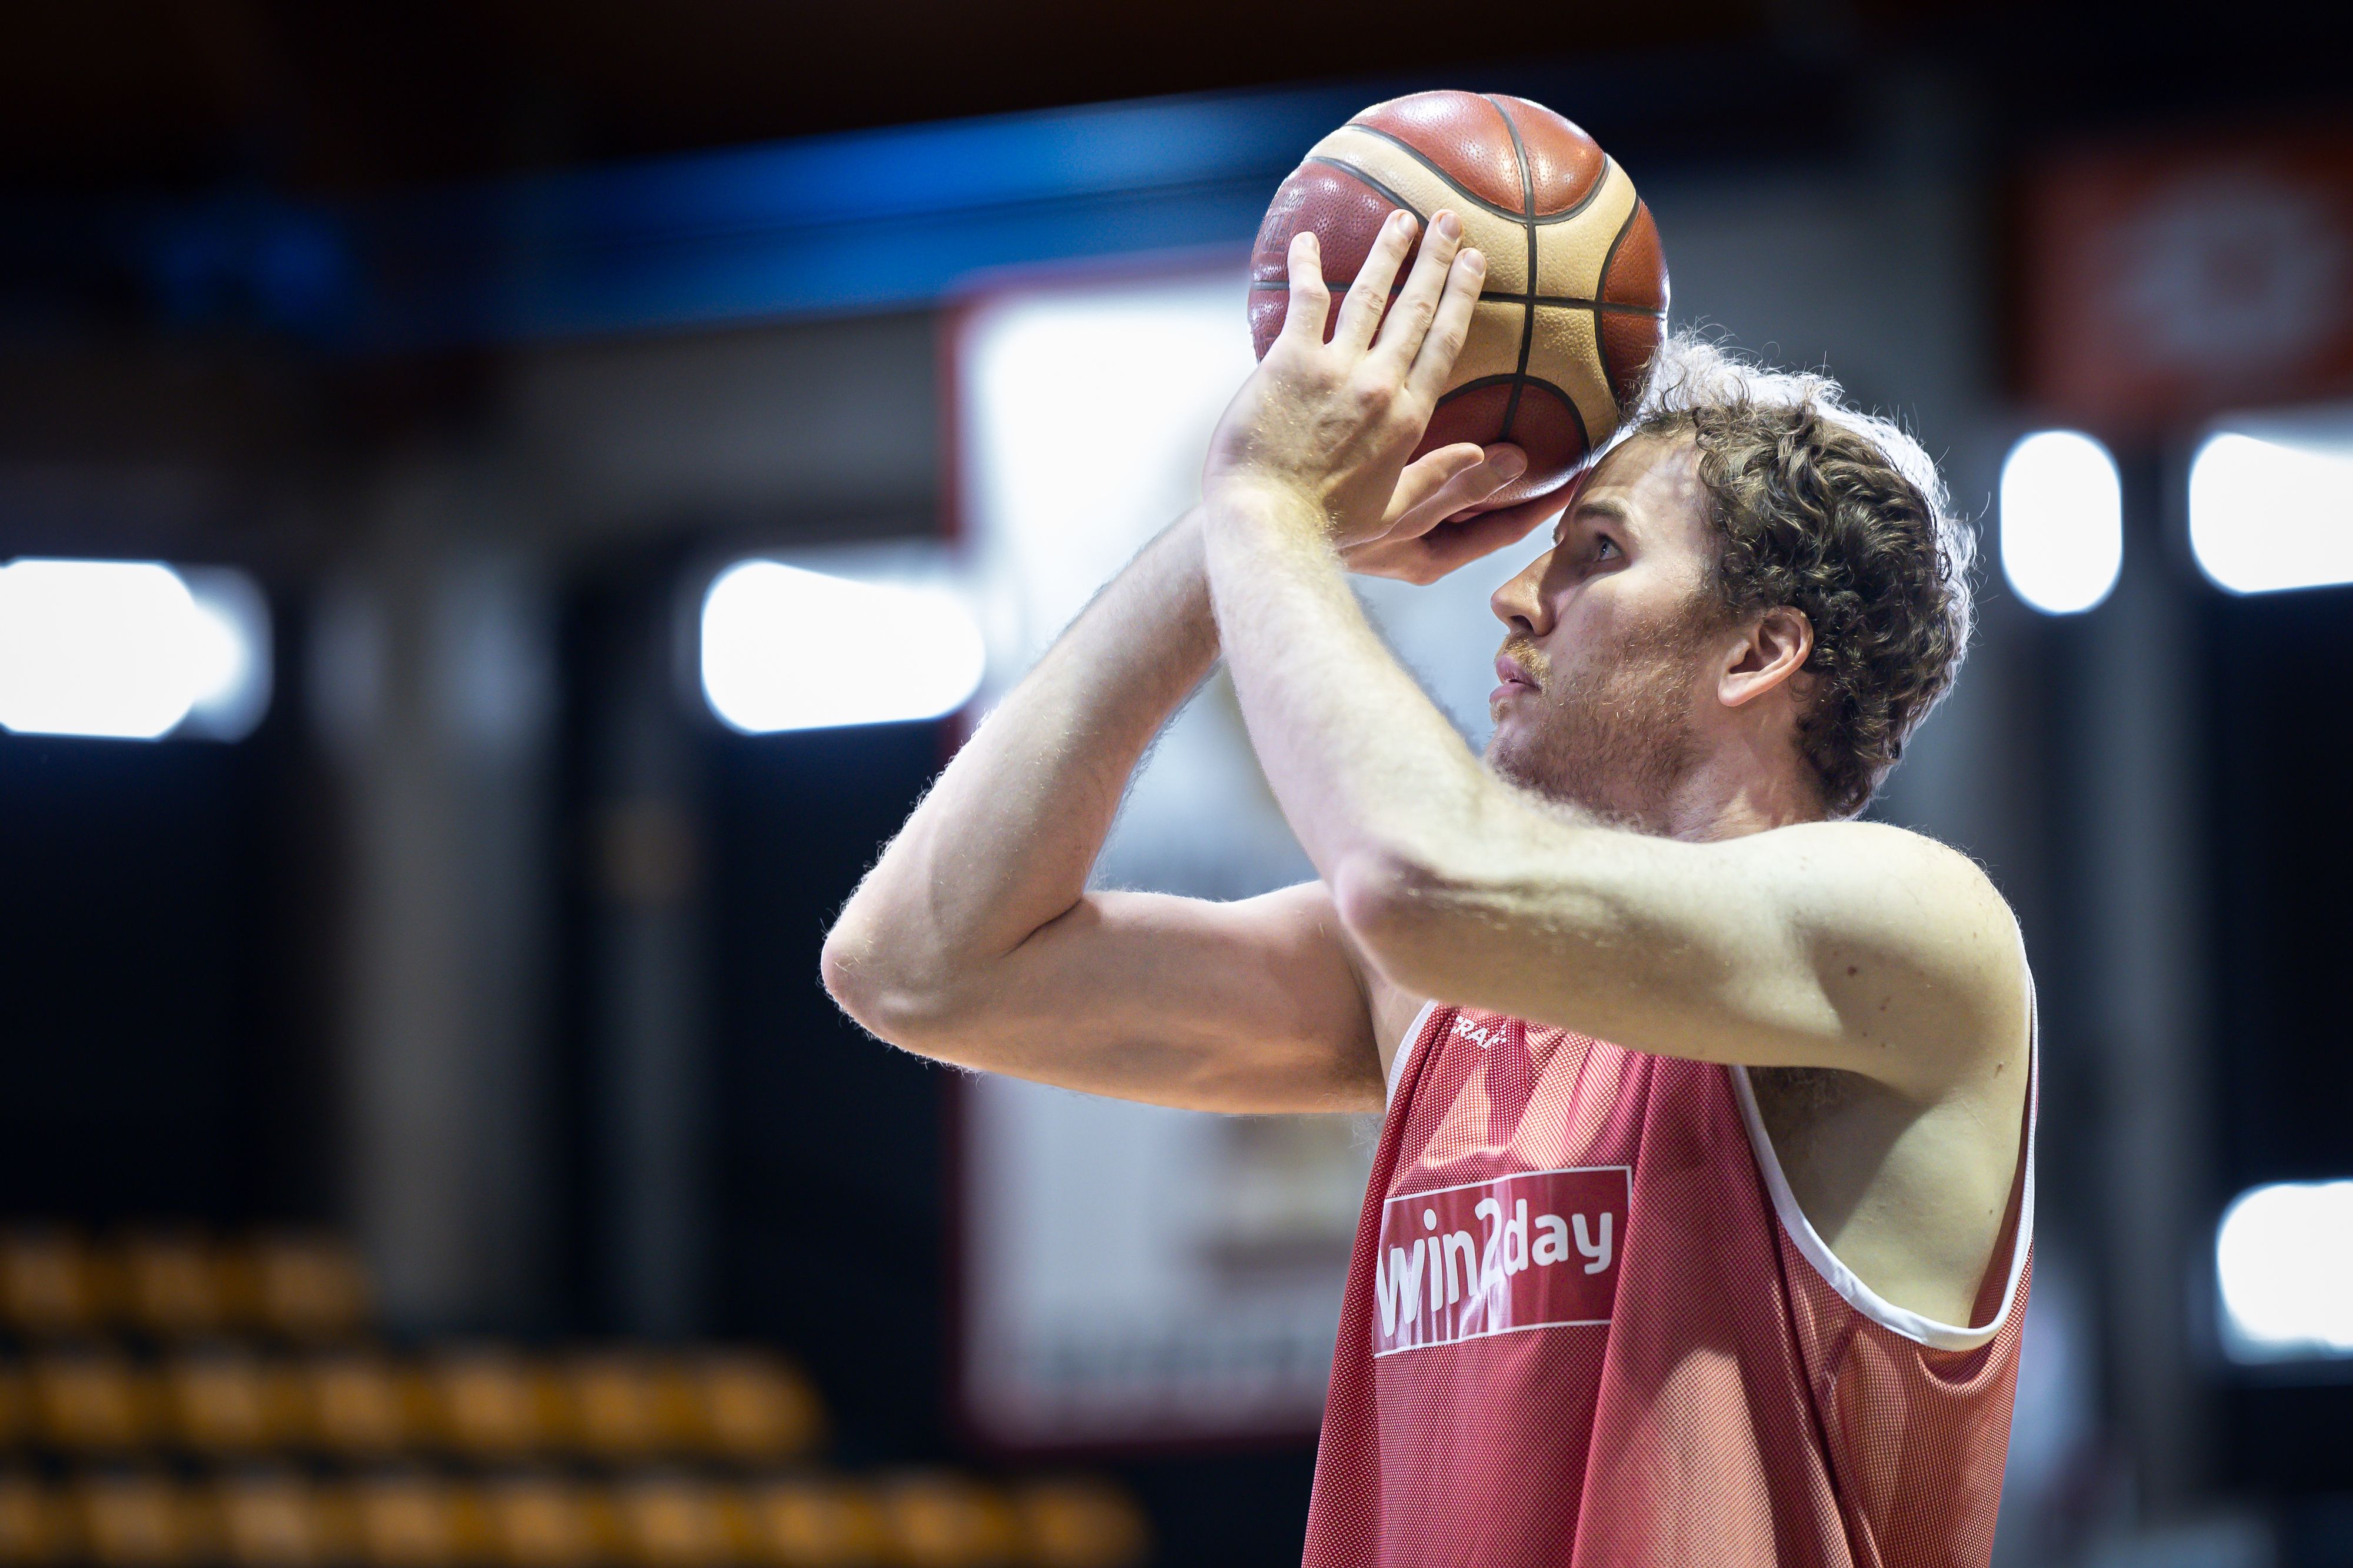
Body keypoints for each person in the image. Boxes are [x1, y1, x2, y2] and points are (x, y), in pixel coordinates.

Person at [822, 208, 2031, 1567]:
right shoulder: (1439, 997)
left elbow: (1419, 876)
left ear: (1758, 648)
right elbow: (919, 965)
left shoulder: (1908, 932)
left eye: (1597, 553)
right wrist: (1217, 542)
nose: (1514, 594)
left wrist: (1275, 506)